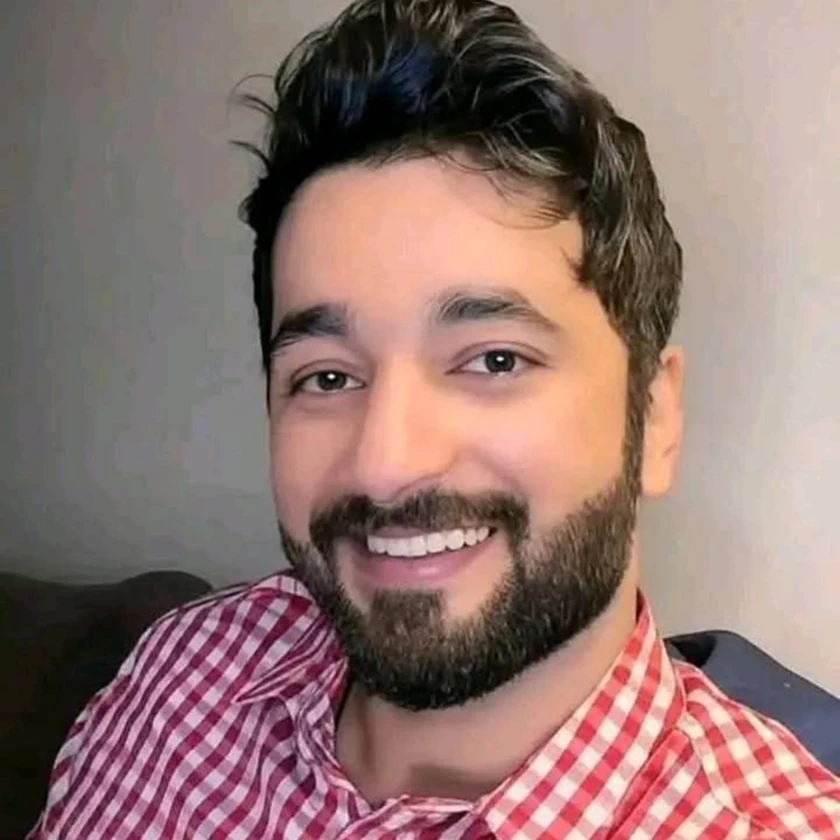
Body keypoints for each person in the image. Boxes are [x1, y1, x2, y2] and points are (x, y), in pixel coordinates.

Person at [29, 1, 840, 837]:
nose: (385, 464)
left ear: (656, 418)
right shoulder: (182, 673)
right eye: (328, 375)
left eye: (494, 360)